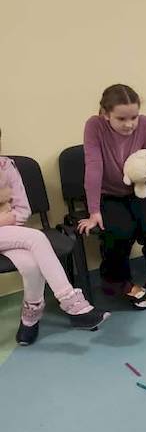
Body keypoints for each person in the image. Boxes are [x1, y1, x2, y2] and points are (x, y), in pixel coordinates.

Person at [78, 84, 146, 309]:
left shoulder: (145, 124)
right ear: (106, 114)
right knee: (119, 231)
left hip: (139, 190)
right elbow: (94, 167)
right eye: (121, 118)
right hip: (109, 194)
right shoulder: (94, 126)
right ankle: (116, 281)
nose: (129, 124)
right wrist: (94, 211)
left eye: (133, 117)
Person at [0, 134, 109, 346]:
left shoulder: (6, 166)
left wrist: (8, 222)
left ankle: (29, 320)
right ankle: (73, 304)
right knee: (36, 237)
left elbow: (22, 208)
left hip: (9, 231)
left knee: (31, 265)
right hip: (8, 228)